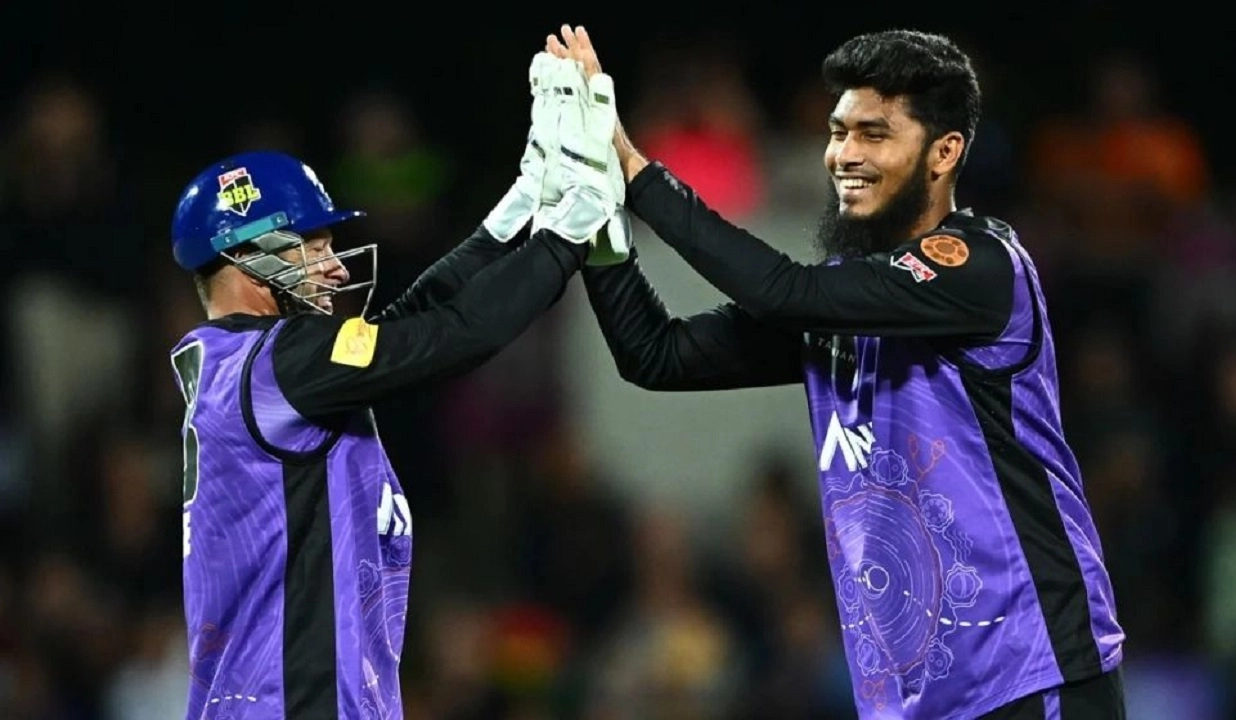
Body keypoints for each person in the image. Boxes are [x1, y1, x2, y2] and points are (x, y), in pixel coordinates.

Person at [547, 25, 1126, 720]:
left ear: (944, 152)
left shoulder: (980, 267)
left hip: (1030, 676)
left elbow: (784, 294)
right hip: (914, 703)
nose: (844, 154)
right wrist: (595, 217)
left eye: (874, 134)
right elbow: (656, 354)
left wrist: (634, 171)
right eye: (838, 131)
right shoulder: (842, 301)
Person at [166, 52, 624, 719]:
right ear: (246, 256)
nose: (333, 265)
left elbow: (410, 324)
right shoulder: (281, 363)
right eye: (311, 244)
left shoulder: (251, 365)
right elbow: (457, 336)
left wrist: (516, 209)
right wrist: (568, 235)